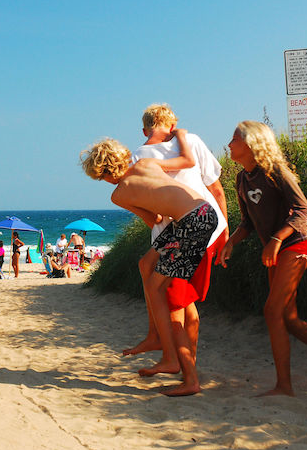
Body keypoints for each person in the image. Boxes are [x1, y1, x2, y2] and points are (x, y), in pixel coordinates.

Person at [219, 121, 307, 396]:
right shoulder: (242, 179)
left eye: (234, 139)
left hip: (297, 243)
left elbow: (303, 208)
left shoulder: (275, 172)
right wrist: (231, 242)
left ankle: (284, 386)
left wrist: (277, 240)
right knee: (289, 318)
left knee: (271, 310)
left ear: (251, 143)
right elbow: (246, 222)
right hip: (275, 249)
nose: (229, 144)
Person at [81, 138, 218, 396]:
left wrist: (156, 207)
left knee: (158, 290)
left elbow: (153, 219)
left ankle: (176, 362)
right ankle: (161, 343)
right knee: (146, 263)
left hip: (190, 223)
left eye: (101, 177)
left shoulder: (118, 193)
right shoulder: (147, 162)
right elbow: (187, 161)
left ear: (104, 173)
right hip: (202, 212)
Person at [124, 104, 229, 367]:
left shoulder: (137, 157)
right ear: (172, 125)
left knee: (174, 302)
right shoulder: (190, 140)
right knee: (184, 301)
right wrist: (225, 229)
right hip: (209, 227)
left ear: (144, 129)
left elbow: (151, 212)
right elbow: (215, 187)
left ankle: (181, 366)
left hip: (177, 234)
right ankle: (184, 365)